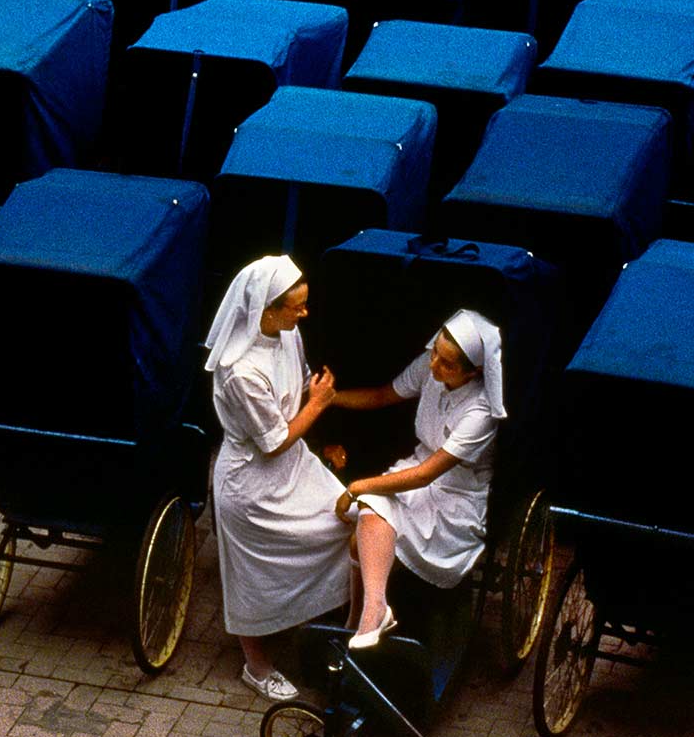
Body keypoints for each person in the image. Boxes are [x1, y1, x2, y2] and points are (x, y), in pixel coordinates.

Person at [207, 256, 355, 701]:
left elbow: (296, 402)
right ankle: (257, 665)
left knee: (351, 518)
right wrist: (320, 403)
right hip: (251, 484)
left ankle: (334, 627)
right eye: (296, 306)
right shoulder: (240, 371)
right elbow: (272, 441)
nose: (304, 313)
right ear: (265, 311)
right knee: (253, 575)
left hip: (295, 466)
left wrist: (319, 424)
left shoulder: (288, 334)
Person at [328, 310, 506, 650]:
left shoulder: (481, 411)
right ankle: (367, 614)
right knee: (363, 531)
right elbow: (383, 395)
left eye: (446, 363)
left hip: (456, 497)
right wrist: (331, 399)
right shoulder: (431, 365)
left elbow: (428, 475)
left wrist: (357, 487)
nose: (434, 364)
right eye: (435, 351)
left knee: (370, 504)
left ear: (474, 372)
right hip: (417, 472)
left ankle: (370, 613)